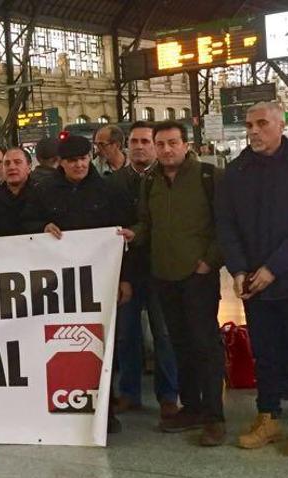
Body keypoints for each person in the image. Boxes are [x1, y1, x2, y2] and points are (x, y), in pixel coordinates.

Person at [23, 133, 134, 434]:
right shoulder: (44, 192)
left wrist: (125, 278)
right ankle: (70, 405)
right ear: (61, 162)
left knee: (103, 344)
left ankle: (105, 409)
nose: (80, 165)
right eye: (73, 161)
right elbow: (26, 226)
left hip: (101, 282)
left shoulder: (108, 190)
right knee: (66, 342)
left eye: (84, 159)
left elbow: (124, 235)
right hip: (60, 286)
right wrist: (41, 227)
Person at [216, 102, 288, 457]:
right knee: (265, 354)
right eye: (249, 124)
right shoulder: (237, 170)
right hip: (254, 283)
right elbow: (226, 224)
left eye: (262, 123)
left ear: (280, 124)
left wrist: (274, 268)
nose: (254, 131)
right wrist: (239, 269)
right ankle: (267, 415)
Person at [124, 120, 225, 446]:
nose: (166, 149)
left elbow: (225, 225)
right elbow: (147, 224)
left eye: (172, 143)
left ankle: (214, 416)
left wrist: (210, 261)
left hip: (198, 276)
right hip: (164, 276)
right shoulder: (151, 180)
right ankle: (192, 406)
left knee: (204, 345)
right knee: (179, 344)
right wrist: (133, 234)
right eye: (161, 144)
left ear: (186, 144)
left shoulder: (208, 177)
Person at [108, 122, 179, 419]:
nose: (139, 146)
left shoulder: (167, 178)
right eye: (134, 141)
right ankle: (129, 393)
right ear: (126, 145)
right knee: (126, 334)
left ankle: (168, 395)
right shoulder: (113, 183)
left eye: (145, 141)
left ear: (154, 145)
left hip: (161, 267)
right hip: (126, 270)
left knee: (164, 333)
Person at [0, 147, 34, 237]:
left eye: (17, 162)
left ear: (29, 167)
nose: (11, 167)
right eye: (7, 163)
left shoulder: (42, 192)